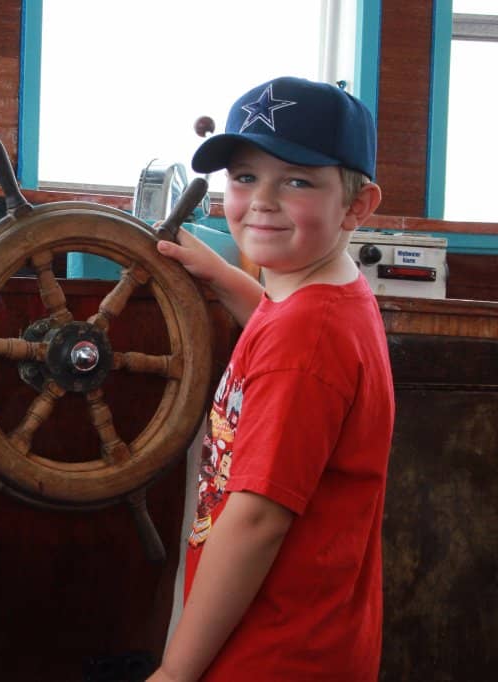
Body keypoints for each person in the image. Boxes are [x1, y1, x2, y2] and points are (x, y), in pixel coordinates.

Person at [146, 76, 395, 681]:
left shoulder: (304, 341)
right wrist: (220, 273)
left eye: (297, 181)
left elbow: (257, 522)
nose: (262, 200)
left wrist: (174, 672)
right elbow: (275, 320)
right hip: (316, 634)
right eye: (244, 176)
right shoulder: (324, 298)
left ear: (357, 206)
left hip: (271, 652)